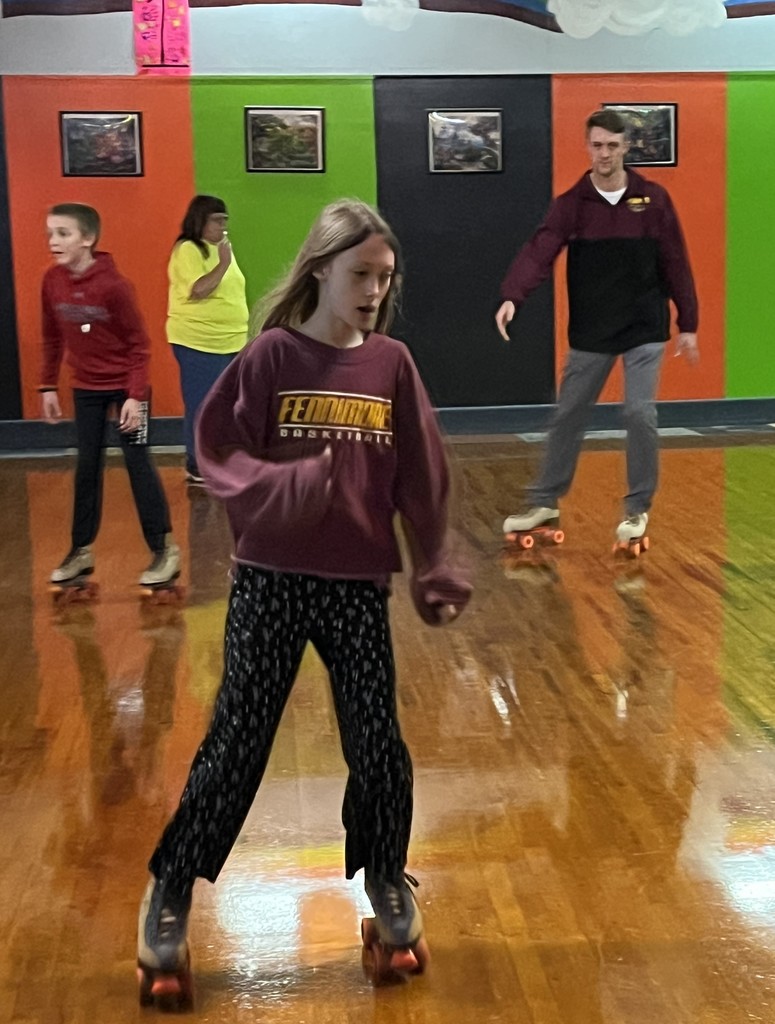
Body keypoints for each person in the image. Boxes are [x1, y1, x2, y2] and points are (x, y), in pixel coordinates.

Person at [136, 199, 473, 1002]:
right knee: (237, 743)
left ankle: (385, 874)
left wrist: (433, 561)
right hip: (272, 580)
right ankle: (171, 885)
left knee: (377, 744)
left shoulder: (390, 363)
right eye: (360, 274)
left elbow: (422, 473)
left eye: (384, 277)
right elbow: (216, 449)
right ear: (320, 270)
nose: (373, 291)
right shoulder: (272, 356)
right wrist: (277, 486)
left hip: (357, 585)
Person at [495, 108, 699, 547]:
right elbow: (540, 250)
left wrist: (688, 322)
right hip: (593, 329)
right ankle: (545, 501)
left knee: (639, 413)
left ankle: (637, 507)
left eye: (612, 145)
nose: (604, 153)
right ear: (587, 147)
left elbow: (675, 260)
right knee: (568, 413)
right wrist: (513, 295)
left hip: (644, 326)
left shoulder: (653, 200)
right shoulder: (572, 204)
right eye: (597, 145)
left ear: (626, 147)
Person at [40, 203, 180, 589]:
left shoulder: (115, 287)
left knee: (137, 462)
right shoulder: (52, 281)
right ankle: (80, 551)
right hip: (87, 388)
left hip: (127, 388)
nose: (53, 241)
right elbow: (51, 337)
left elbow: (140, 347)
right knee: (87, 466)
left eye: (63, 233)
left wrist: (134, 397)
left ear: (87, 238)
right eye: (50, 233)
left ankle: (165, 550)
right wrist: (48, 385)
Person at [166, 194, 249, 483]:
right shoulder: (188, 249)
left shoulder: (222, 249)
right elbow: (199, 289)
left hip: (231, 340)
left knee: (227, 404)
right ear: (199, 220)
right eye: (217, 220)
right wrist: (223, 264)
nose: (223, 226)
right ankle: (196, 463)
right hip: (199, 341)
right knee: (202, 404)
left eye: (225, 220)